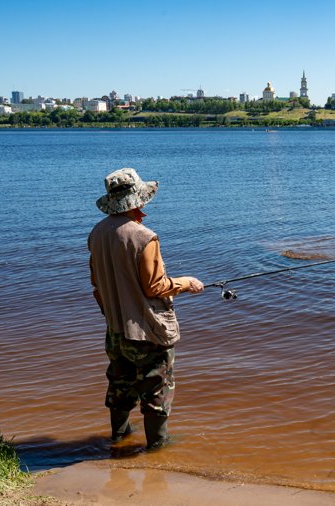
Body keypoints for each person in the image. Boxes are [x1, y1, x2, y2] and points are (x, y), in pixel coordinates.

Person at [88, 167, 204, 450]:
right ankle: (157, 448)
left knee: (120, 384)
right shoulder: (145, 237)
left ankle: (119, 436)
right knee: (157, 390)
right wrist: (187, 282)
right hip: (147, 333)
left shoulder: (97, 233)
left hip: (115, 330)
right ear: (138, 199)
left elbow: (97, 285)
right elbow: (155, 287)